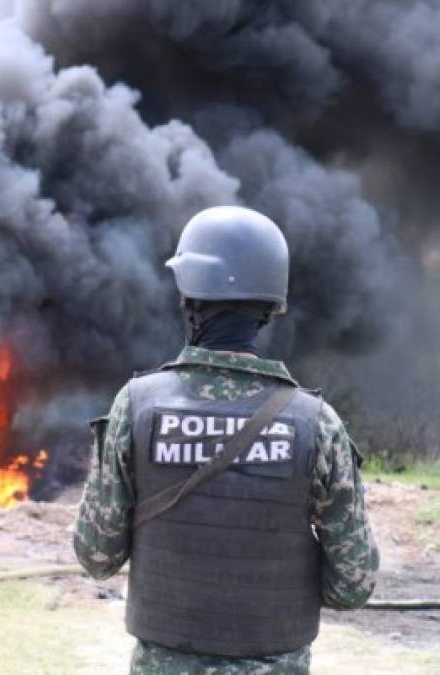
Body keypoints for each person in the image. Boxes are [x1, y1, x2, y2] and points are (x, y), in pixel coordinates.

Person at [74, 206, 379, 675]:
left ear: (189, 300)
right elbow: (353, 584)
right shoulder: (316, 424)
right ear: (269, 310)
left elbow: (97, 556)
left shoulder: (137, 406)